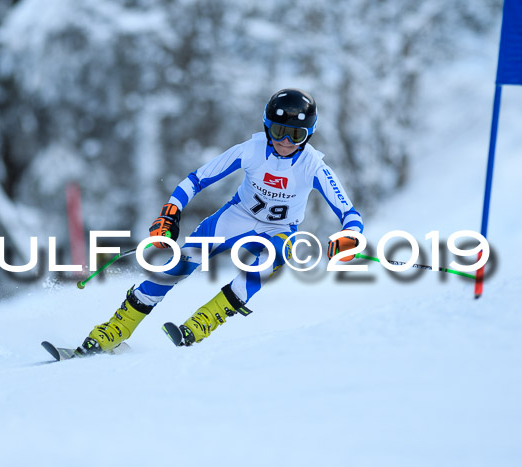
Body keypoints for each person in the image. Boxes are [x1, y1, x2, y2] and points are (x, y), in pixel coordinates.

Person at [79, 88, 363, 353]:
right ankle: (115, 330)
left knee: (274, 256)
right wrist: (170, 212)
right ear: (267, 127)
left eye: (295, 135)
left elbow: (350, 215)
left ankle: (201, 324)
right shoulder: (251, 150)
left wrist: (348, 237)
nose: (285, 142)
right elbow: (196, 180)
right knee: (178, 266)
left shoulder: (313, 166)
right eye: (278, 131)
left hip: (279, 229)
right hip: (236, 217)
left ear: (308, 135)